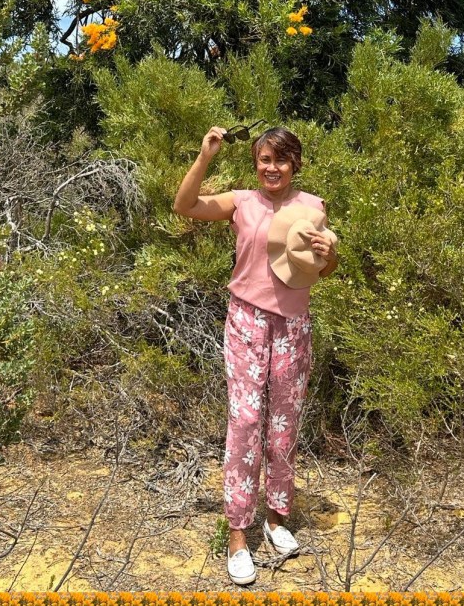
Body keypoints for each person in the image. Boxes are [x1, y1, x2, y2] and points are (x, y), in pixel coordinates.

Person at [173, 125, 339, 585]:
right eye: (264, 159)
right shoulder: (241, 202)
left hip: (293, 326)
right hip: (245, 321)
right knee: (245, 422)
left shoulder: (313, 206)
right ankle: (238, 533)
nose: (271, 168)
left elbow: (321, 270)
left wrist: (330, 256)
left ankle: (277, 518)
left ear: (295, 164)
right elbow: (183, 205)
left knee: (283, 424)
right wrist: (205, 155)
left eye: (280, 160)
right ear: (256, 163)